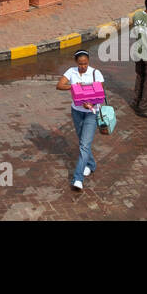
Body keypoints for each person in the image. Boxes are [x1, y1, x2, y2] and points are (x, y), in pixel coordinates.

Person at [58, 51, 105, 191]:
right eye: (80, 64)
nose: (83, 66)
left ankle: (78, 178)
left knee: (84, 145)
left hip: (92, 113)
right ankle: (91, 164)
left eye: (85, 63)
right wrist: (73, 87)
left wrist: (89, 102)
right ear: (76, 63)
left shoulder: (96, 73)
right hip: (77, 112)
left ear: (88, 62)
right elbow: (59, 85)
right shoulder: (71, 72)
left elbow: (100, 93)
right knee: (82, 141)